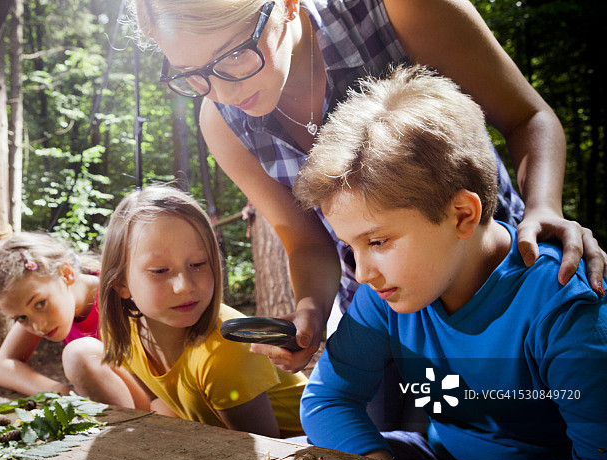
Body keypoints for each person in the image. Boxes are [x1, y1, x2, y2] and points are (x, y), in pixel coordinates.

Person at [128, 0, 607, 374]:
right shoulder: (222, 124)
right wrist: (310, 312)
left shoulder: (396, 11)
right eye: (193, 75)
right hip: (389, 313)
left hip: (498, 280)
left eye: (233, 56)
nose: (225, 91)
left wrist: (542, 207)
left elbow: (529, 116)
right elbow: (306, 241)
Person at [294, 65, 607, 460]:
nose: (361, 273)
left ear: (462, 214)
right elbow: (327, 399)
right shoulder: (387, 295)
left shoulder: (562, 306)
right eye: (351, 247)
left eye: (378, 241)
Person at [96, 185, 307, 438]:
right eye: (159, 271)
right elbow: (160, 404)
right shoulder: (125, 332)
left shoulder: (225, 349)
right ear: (121, 283)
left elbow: (264, 451)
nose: (184, 285)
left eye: (198, 264)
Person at [0, 232, 135, 404]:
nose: (39, 326)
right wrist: (61, 393)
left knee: (78, 355)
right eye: (21, 318)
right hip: (119, 410)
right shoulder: (41, 301)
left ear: (66, 274)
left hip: (157, 411)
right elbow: (3, 366)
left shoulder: (122, 293)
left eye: (40, 304)